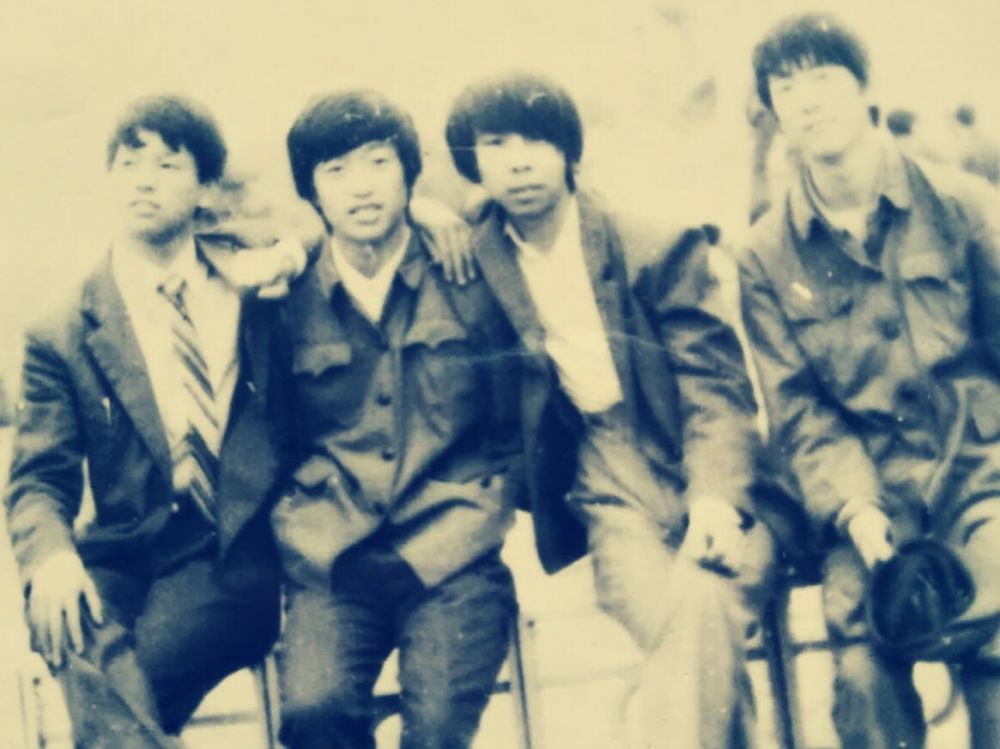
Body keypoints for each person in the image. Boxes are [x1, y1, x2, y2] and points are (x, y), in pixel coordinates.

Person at [445, 72, 777, 749]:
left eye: (537, 140)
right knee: (670, 615)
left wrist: (715, 499)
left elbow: (714, 386)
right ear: (473, 164)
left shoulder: (653, 241)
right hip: (605, 478)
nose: (519, 162)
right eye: (496, 144)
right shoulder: (475, 255)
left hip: (706, 458)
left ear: (569, 151)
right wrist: (429, 214)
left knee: (703, 604)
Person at [4, 94, 298, 747]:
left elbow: (332, 232)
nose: (144, 180)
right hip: (123, 550)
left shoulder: (252, 280)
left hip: (227, 553)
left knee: (133, 679)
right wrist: (51, 556)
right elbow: (38, 478)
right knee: (62, 617)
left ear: (205, 188)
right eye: (129, 163)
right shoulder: (63, 329)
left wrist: (428, 209)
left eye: (167, 165)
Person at [740, 14, 1000, 749]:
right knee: (860, 670)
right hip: (868, 493)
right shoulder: (765, 254)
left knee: (998, 650)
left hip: (981, 473)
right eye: (786, 87)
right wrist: (855, 508)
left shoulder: (961, 204)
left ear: (865, 88)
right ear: (773, 110)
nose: (807, 100)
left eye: (823, 78)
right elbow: (798, 408)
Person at [271, 90, 518, 749]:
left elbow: (511, 410)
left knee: (435, 727)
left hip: (453, 553)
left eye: (379, 162)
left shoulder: (465, 270)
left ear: (410, 172)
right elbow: (277, 434)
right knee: (314, 713)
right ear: (311, 193)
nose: (361, 188)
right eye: (335, 171)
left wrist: (487, 500)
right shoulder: (286, 295)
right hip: (335, 561)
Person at [953, 104, 1000, 186]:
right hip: (991, 183)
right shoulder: (986, 137)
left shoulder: (966, 141)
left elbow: (964, 167)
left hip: (978, 184)